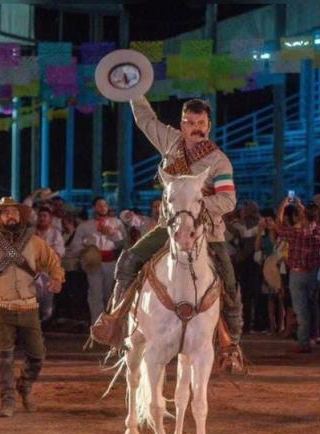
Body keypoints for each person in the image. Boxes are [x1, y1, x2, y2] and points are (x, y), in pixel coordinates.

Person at [102, 96, 242, 370]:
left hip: (207, 232)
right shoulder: (171, 142)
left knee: (229, 283)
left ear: (209, 126)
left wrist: (194, 206)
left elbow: (228, 201)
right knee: (129, 260)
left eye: (201, 123)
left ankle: (231, 346)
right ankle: (117, 327)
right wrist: (135, 92)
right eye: (190, 123)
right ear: (182, 124)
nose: (196, 128)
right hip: (168, 229)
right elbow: (145, 119)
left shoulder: (219, 161)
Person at [0, 198, 64, 417]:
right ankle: (7, 400)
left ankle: (25, 385)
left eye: (14, 213)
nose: (11, 216)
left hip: (29, 306)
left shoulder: (35, 242)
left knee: (38, 356)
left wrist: (56, 279)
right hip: (2, 307)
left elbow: (53, 262)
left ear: (20, 217)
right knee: (3, 358)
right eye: (6, 213)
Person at [274, 198, 320, 353]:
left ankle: (303, 342)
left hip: (298, 273)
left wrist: (284, 204)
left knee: (301, 309)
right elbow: (312, 220)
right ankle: (312, 337)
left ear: (303, 215)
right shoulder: (319, 231)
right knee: (311, 307)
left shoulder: (297, 233)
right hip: (314, 274)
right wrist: (303, 208)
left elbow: (278, 226)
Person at [69, 197, 125, 324]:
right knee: (95, 293)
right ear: (94, 207)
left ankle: (111, 322)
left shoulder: (116, 223)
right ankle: (97, 324)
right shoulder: (85, 226)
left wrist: (112, 233)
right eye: (99, 205)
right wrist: (86, 249)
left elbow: (123, 243)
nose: (103, 208)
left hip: (110, 262)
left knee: (109, 293)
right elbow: (75, 246)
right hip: (93, 263)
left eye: (105, 205)